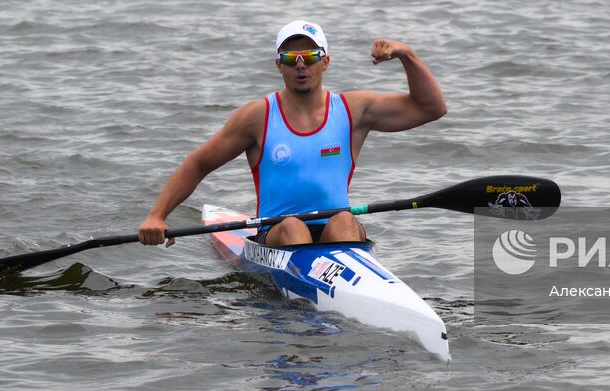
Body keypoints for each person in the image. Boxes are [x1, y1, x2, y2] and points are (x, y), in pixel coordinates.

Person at [138, 20, 446, 247]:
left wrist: (407, 56)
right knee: (293, 227)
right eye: (289, 58)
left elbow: (432, 108)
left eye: (310, 57)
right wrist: (157, 216)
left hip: (337, 230)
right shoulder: (257, 117)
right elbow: (198, 164)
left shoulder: (354, 110)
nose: (300, 65)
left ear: (325, 61)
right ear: (278, 65)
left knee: (343, 220)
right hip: (277, 234)